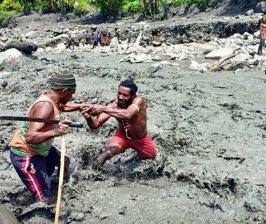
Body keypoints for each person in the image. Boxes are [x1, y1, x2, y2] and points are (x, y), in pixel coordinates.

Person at [9, 71, 89, 203]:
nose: (71, 97)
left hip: (40, 148)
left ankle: (58, 188)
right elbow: (30, 137)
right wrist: (56, 132)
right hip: (26, 154)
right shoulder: (45, 106)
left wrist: (81, 106)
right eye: (71, 93)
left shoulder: (52, 98)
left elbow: (62, 106)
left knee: (65, 162)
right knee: (44, 200)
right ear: (64, 91)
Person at [81, 79, 157, 168]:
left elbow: (128, 114)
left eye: (125, 95)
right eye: (119, 93)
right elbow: (95, 125)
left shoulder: (139, 101)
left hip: (141, 140)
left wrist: (103, 108)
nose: (120, 97)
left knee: (152, 160)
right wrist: (87, 117)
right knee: (106, 154)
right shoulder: (114, 106)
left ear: (133, 95)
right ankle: (91, 171)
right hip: (122, 137)